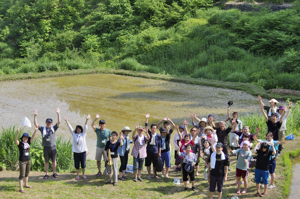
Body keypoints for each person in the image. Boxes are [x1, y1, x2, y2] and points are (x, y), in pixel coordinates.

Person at [34, 108, 61, 179]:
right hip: (46, 147)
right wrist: (35, 116)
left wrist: (58, 114)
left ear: (51, 123)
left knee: (54, 160)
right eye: (47, 122)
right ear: (46, 123)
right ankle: (46, 173)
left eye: (50, 122)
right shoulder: (43, 129)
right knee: (46, 161)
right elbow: (36, 124)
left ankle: (54, 172)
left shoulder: (53, 128)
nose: (48, 123)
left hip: (53, 147)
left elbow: (59, 122)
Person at [64, 115, 90, 180]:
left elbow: (85, 127)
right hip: (76, 152)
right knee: (77, 165)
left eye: (79, 129)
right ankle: (77, 175)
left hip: (83, 152)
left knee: (83, 165)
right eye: (77, 129)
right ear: (76, 130)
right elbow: (70, 128)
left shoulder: (83, 134)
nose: (78, 130)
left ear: (81, 130)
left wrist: (87, 120)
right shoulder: (74, 134)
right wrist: (67, 121)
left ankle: (83, 175)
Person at [15, 127, 38, 193]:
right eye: (24, 137)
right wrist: (17, 133)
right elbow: (15, 140)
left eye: (26, 138)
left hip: (28, 160)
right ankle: (21, 188)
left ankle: (26, 184)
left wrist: (35, 131)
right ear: (22, 138)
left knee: (27, 174)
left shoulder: (28, 143)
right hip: (22, 161)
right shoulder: (20, 144)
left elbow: (33, 137)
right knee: (22, 175)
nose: (25, 138)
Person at [145, 113, 162, 179]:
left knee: (155, 164)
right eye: (152, 128)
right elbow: (146, 126)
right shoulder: (149, 133)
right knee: (148, 163)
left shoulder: (158, 136)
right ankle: (149, 174)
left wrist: (159, 152)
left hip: (155, 151)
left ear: (156, 129)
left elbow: (159, 145)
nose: (153, 129)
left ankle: (155, 174)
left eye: (155, 128)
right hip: (149, 150)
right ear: (151, 128)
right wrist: (146, 118)